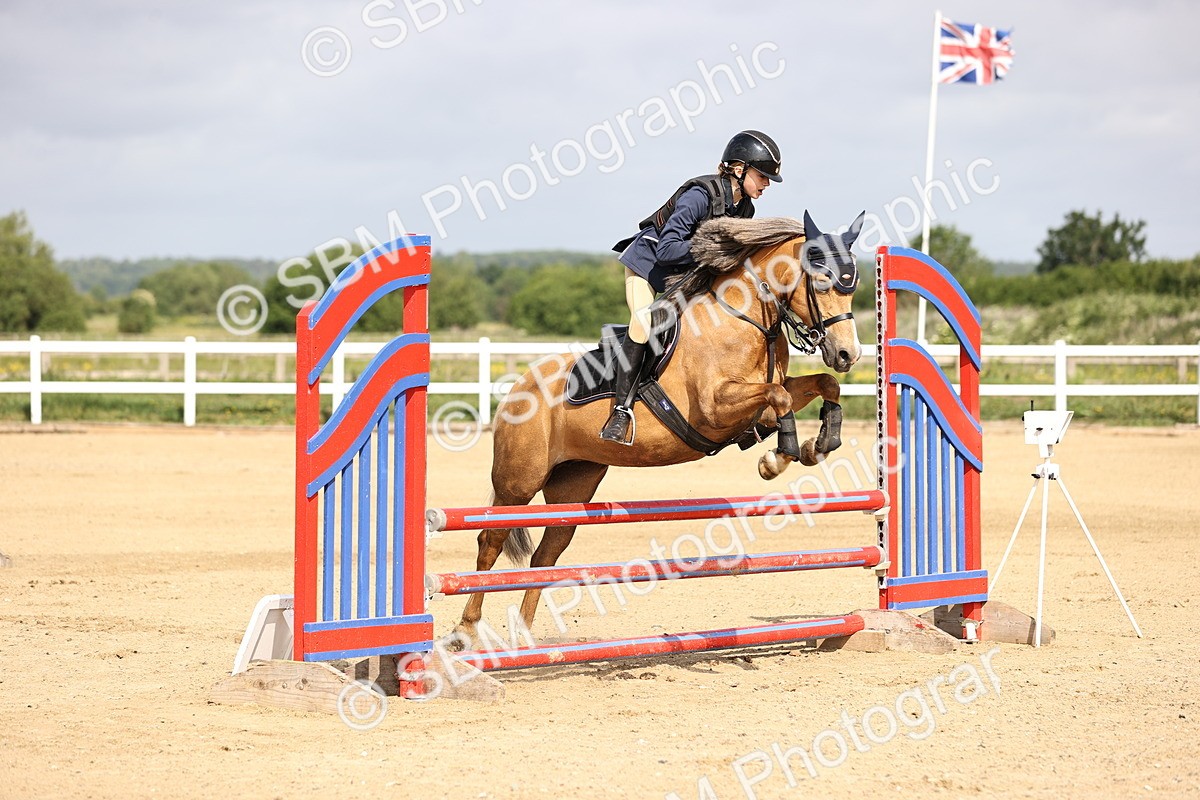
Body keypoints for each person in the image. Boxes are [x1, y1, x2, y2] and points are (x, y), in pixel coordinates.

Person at [599, 129, 784, 444]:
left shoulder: (745, 209)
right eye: (762, 176)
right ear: (739, 169)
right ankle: (621, 411)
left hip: (687, 275)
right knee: (643, 322)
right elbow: (667, 250)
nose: (767, 184)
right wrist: (714, 247)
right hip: (649, 265)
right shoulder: (700, 195)